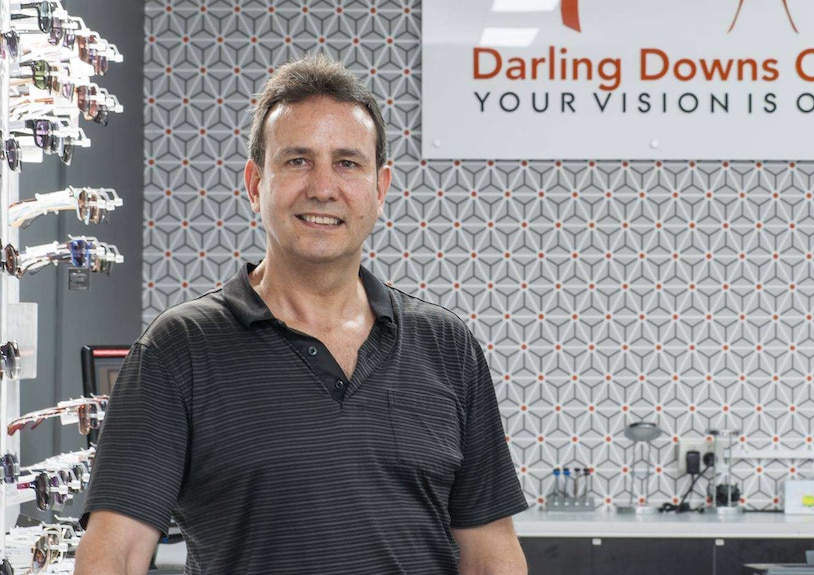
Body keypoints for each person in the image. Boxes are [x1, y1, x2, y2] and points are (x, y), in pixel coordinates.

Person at [74, 53, 529, 575]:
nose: (321, 187)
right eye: (296, 160)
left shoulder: (446, 346)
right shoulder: (178, 349)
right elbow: (114, 554)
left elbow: (492, 556)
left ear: (379, 189)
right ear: (254, 184)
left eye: (347, 163)